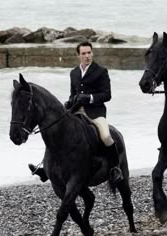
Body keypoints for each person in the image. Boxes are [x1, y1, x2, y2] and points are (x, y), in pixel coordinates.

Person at [29, 41, 123, 183]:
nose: (87, 56)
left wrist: (90, 98)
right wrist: (70, 102)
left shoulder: (101, 71)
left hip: (95, 112)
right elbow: (73, 94)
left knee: (105, 136)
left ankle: (115, 168)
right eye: (84, 53)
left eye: (89, 53)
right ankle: (46, 168)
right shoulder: (74, 73)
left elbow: (107, 95)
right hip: (75, 110)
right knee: (55, 132)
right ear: (78, 55)